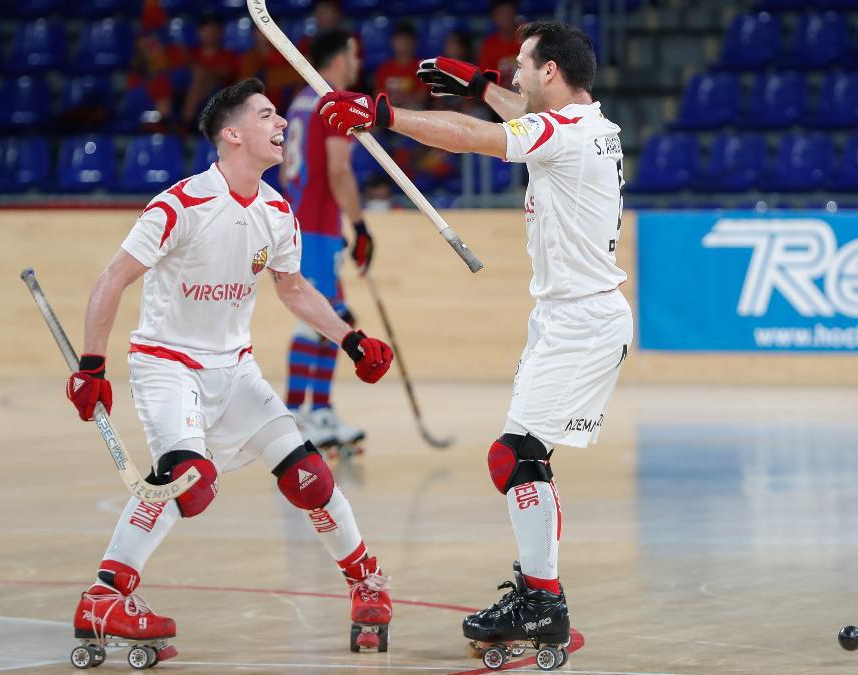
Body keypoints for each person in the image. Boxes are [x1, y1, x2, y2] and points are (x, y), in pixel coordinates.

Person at [319, 21, 631, 664]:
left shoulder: (562, 133)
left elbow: (479, 138)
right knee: (525, 458)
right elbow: (516, 120)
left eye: (520, 65)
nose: (514, 74)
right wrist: (482, 83)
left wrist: (380, 113)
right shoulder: (590, 126)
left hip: (580, 322)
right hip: (570, 319)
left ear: (550, 72)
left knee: (513, 457)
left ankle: (543, 599)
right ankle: (539, 593)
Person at [65, 78, 395, 661]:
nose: (282, 125)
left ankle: (366, 580)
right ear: (232, 134)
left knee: (309, 477)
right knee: (186, 480)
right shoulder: (180, 205)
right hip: (168, 366)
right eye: (268, 116)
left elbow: (293, 289)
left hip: (236, 372)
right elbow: (111, 278)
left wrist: (352, 339)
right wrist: (92, 366)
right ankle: (105, 597)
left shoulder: (276, 211)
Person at [280, 30, 374, 454]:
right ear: (339, 59)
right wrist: (360, 227)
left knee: (332, 317)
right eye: (353, 54)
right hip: (315, 226)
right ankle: (297, 415)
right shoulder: (333, 102)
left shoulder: (300, 102)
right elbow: (339, 171)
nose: (357, 61)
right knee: (321, 320)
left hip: (306, 223)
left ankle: (317, 410)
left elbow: (286, 171)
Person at [372, 22, 428, 110]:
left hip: (411, 110)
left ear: (414, 43)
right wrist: (392, 100)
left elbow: (422, 96)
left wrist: (404, 99)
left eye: (406, 40)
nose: (403, 44)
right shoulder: (385, 67)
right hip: (390, 109)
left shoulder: (422, 67)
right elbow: (378, 93)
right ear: (392, 42)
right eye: (399, 40)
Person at [478, 0, 520, 86]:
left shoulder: (528, 38)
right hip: (499, 94)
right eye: (500, 13)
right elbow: (485, 80)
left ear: (514, 13)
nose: (504, 16)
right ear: (494, 16)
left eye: (507, 12)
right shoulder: (489, 45)